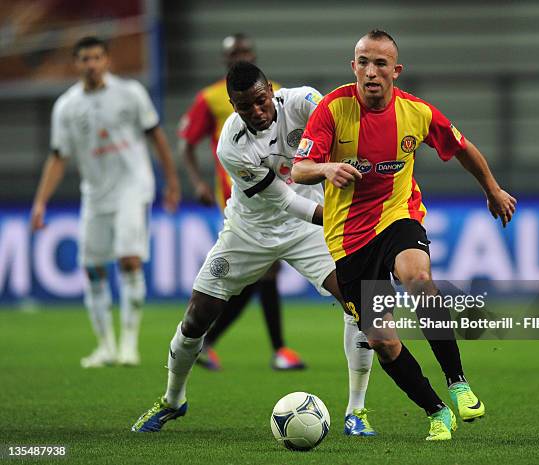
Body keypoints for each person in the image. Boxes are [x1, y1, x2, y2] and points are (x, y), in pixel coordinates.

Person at [292, 30, 517, 440]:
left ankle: (458, 383)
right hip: (348, 237)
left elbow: (462, 146)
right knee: (381, 340)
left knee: (417, 278)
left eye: (380, 64)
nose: (370, 72)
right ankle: (436, 411)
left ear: (396, 71)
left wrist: (493, 189)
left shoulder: (417, 113)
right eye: (363, 62)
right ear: (353, 66)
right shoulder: (331, 109)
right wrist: (326, 168)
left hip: (399, 216)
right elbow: (298, 168)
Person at [131, 62, 376, 436]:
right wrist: (339, 217)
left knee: (360, 303)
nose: (257, 112)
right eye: (246, 107)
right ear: (233, 106)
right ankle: (172, 399)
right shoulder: (230, 145)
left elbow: (346, 130)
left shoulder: (305, 102)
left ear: (271, 92)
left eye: (262, 102)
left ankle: (356, 411)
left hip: (307, 233)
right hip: (250, 232)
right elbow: (284, 202)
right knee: (197, 316)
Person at [30, 36, 181, 368]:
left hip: (133, 186)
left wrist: (171, 181)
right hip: (95, 194)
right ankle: (106, 347)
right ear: (76, 63)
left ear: (107, 60)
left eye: (97, 57)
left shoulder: (130, 94)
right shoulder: (67, 106)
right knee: (93, 269)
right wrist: (40, 202)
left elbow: (156, 135)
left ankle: (129, 345)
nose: (92, 64)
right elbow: (58, 157)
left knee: (129, 260)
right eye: (85, 59)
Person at [178, 33, 302, 371]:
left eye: (244, 51)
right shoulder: (211, 98)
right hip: (239, 194)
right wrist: (198, 181)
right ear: (224, 58)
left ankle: (220, 342)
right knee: (265, 271)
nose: (239, 55)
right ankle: (276, 350)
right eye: (233, 52)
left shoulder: (275, 90)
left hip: (280, 187)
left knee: (264, 273)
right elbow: (187, 143)